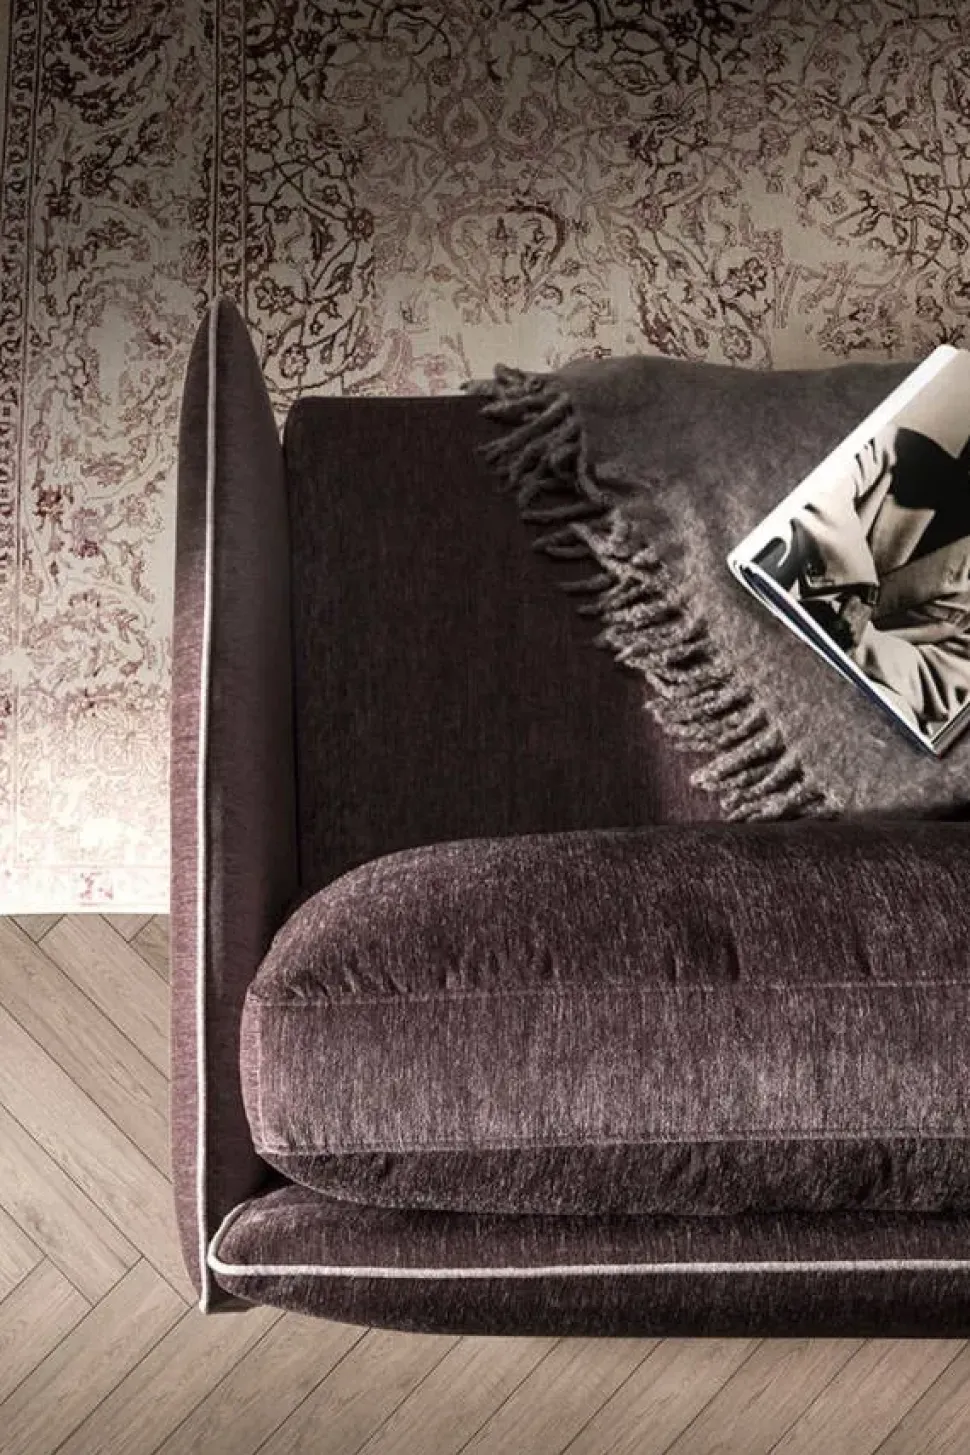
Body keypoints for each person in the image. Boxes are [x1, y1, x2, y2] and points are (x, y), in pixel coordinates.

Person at [754, 422, 970, 737]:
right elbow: (824, 484)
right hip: (783, 594)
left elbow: (939, 682)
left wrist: (859, 641)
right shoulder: (893, 447)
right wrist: (855, 589)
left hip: (865, 678)